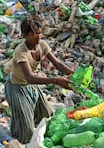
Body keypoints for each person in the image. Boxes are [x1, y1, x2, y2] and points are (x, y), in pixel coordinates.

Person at [4, 14, 74, 144]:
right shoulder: (21, 52)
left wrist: (74, 75)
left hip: (31, 85)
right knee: (27, 131)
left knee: (47, 116)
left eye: (40, 33)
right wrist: (57, 80)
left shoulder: (42, 44)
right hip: (18, 88)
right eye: (35, 34)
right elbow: (30, 77)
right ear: (25, 35)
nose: (38, 37)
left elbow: (57, 64)